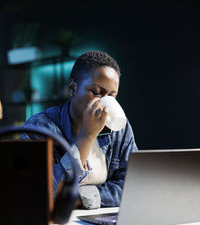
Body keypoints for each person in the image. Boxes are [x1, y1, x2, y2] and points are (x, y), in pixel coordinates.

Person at [21, 50, 138, 209]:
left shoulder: (119, 128)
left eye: (111, 96)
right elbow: (41, 193)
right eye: (96, 92)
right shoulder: (40, 127)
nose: (104, 102)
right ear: (72, 88)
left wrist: (79, 198)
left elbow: (132, 186)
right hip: (55, 223)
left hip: (102, 220)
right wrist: (87, 136)